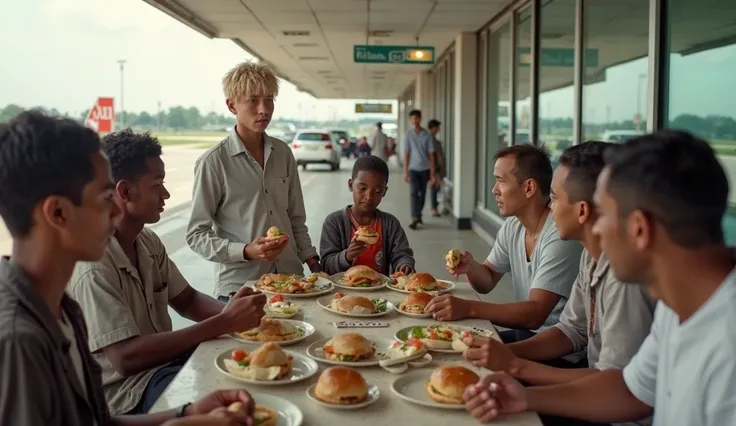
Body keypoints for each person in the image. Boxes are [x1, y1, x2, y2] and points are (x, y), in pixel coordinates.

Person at [463, 131, 736, 426]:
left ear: (639, 229)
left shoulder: (726, 343)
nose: (596, 229)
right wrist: (524, 397)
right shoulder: (677, 305)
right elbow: (632, 391)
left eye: (603, 214)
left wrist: (517, 366)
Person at [0, 111, 255, 426]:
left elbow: (99, 421)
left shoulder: (62, 308)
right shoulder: (19, 339)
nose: (114, 210)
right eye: (105, 197)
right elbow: (124, 362)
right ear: (58, 213)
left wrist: (184, 414)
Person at [67, 130, 267, 415]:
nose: (167, 194)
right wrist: (223, 322)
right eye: (157, 184)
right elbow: (124, 358)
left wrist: (248, 319)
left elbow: (187, 301)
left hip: (163, 366)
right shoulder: (93, 265)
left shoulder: (147, 241)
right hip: (127, 393)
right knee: (233, 398)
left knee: (252, 368)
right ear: (124, 192)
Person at [463, 142, 655, 426]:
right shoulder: (591, 258)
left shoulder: (624, 277)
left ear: (582, 210)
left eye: (554, 197)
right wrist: (507, 355)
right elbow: (571, 330)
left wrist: (515, 365)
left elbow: (616, 385)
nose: (550, 207)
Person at [186, 61, 321, 300]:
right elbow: (197, 235)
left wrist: (312, 259)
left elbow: (296, 218)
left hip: (291, 282)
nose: (264, 109)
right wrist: (246, 251)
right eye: (253, 101)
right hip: (240, 289)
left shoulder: (283, 153)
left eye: (269, 100)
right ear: (231, 105)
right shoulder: (214, 162)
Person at [428, 144, 582, 343]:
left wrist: (468, 307)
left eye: (500, 181)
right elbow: (488, 280)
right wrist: (471, 267)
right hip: (525, 334)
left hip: (554, 348)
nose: (494, 190)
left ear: (529, 188)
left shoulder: (559, 235)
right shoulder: (513, 225)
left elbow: (534, 314)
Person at [320, 155, 415, 276]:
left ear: (384, 192)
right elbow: (326, 265)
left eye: (377, 191)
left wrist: (405, 265)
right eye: (363, 188)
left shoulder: (390, 224)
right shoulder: (334, 222)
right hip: (343, 293)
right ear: (350, 185)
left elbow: (402, 254)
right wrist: (347, 256)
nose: (369, 197)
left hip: (380, 292)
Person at [403, 109, 437, 230]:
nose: (415, 120)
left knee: (422, 193)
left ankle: (418, 214)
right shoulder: (408, 134)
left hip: (425, 168)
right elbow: (406, 153)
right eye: (412, 118)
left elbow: (431, 155)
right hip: (413, 168)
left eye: (417, 118)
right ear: (410, 120)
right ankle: (414, 217)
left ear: (420, 119)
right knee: (413, 192)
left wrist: (433, 173)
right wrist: (405, 171)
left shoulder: (427, 135)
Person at [427, 119, 448, 217]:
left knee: (437, 188)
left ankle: (437, 206)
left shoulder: (434, 140)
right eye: (437, 127)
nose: (438, 129)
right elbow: (433, 156)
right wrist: (434, 170)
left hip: (437, 168)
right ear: (433, 127)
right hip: (435, 168)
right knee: (434, 188)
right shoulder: (430, 140)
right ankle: (434, 208)